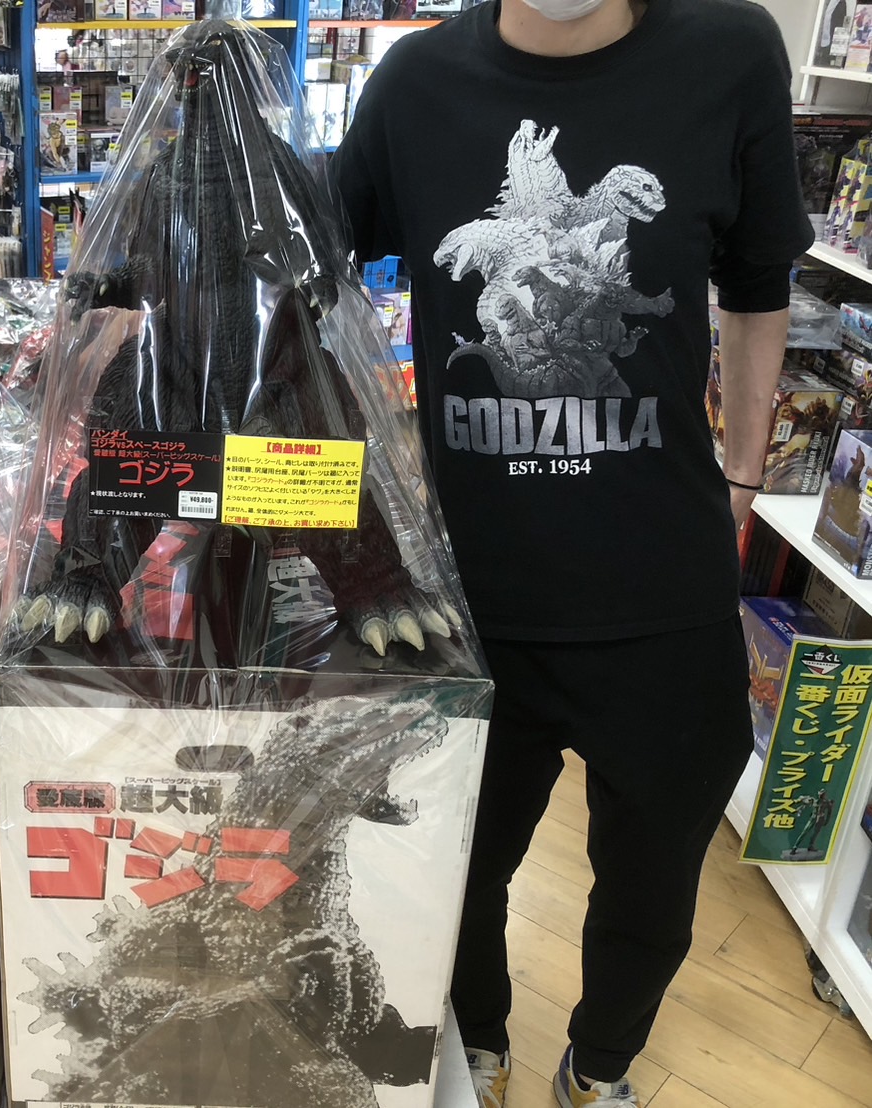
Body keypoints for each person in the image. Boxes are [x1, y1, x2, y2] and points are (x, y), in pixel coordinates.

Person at [333, 2, 811, 1106]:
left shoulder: (728, 53)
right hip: (468, 598)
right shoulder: (415, 83)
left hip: (660, 588)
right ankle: (479, 1048)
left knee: (651, 886)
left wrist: (742, 477)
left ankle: (600, 1066)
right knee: (458, 868)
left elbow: (756, 286)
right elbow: (304, 261)